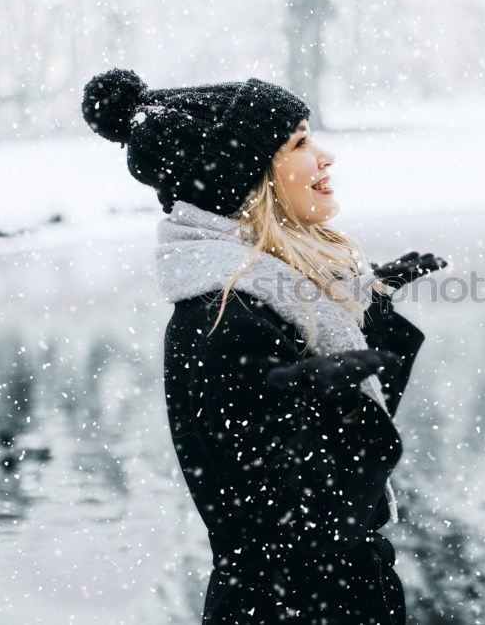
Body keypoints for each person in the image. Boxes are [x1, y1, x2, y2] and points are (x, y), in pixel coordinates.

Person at [81, 68, 447, 624]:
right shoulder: (225, 321)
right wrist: (346, 409)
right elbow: (311, 523)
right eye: (299, 142)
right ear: (246, 178)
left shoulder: (265, 297)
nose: (325, 157)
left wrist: (367, 316)